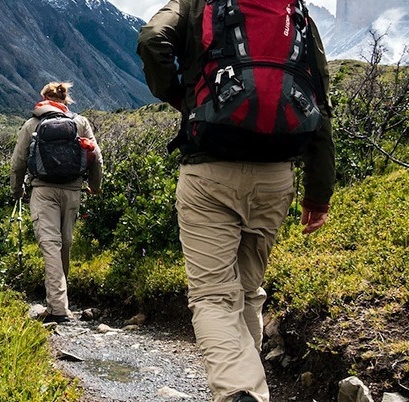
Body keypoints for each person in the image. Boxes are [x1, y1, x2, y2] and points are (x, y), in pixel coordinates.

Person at [137, 1, 335, 401]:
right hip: (276, 177)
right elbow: (318, 94)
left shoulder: (196, 3)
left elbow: (152, 38)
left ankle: (239, 390)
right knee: (247, 289)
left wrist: (179, 96)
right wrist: (319, 191)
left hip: (209, 173)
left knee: (212, 295)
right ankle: (253, 386)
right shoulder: (293, 10)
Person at [10, 82, 103, 324]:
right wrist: (95, 186)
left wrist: (17, 190)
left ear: (43, 99)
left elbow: (18, 162)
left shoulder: (32, 124)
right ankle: (59, 301)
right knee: (65, 244)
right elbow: (96, 157)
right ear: (65, 100)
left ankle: (58, 308)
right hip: (73, 190)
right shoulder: (80, 122)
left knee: (50, 245)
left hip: (43, 191)